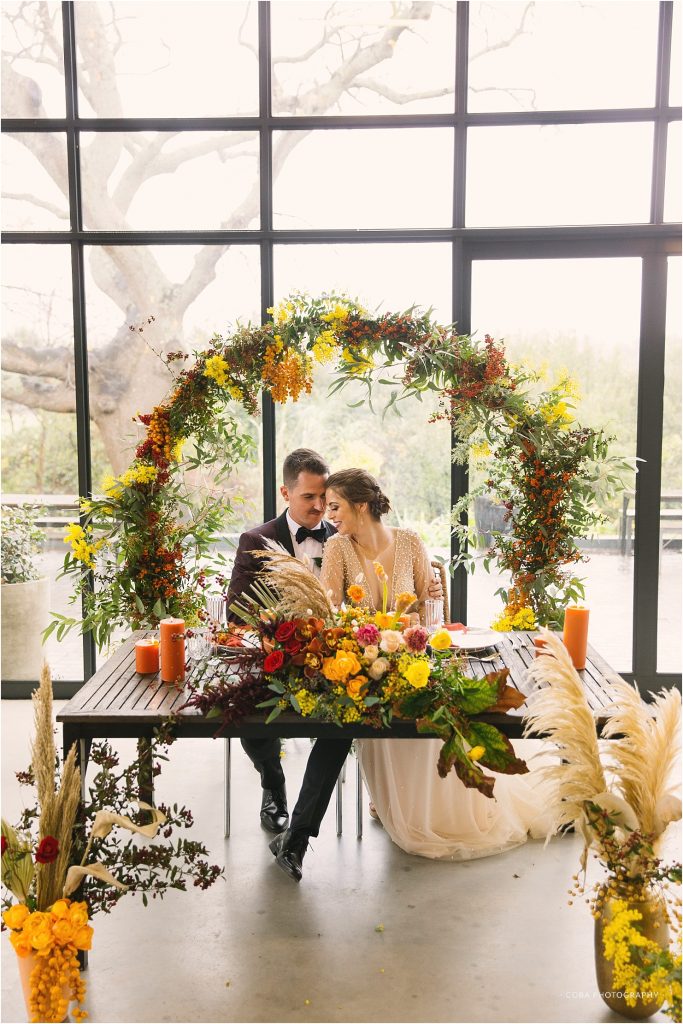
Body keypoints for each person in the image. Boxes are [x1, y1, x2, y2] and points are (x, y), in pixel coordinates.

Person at [226, 451, 444, 881]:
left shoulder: (347, 536)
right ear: (286, 493)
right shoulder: (262, 539)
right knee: (256, 710)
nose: (322, 510)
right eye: (312, 498)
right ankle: (274, 781)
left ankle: (298, 839)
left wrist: (425, 598)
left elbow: (426, 603)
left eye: (329, 501)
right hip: (292, 653)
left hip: (373, 657)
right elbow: (241, 610)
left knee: (339, 725)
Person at [319, 468, 551, 862]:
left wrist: (431, 599)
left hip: (416, 658)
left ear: (361, 505)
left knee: (434, 704)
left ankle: (433, 803)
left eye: (336, 506)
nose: (329, 516)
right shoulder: (338, 548)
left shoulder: (409, 542)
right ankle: (397, 801)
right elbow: (329, 614)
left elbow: (434, 615)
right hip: (369, 662)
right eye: (327, 508)